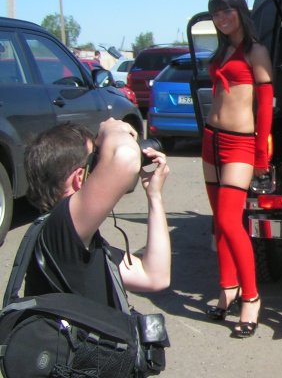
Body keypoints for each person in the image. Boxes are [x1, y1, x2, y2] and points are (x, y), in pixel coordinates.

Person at [23, 118, 171, 305]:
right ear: (79, 177)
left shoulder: (76, 239)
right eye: (97, 158)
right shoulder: (58, 229)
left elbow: (154, 277)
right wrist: (111, 128)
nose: (102, 164)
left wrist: (154, 196)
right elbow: (125, 156)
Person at [202, 0, 273, 338]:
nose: (222, 18)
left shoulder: (255, 51)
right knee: (219, 222)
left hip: (240, 143)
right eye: (216, 13)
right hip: (211, 140)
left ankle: (251, 297)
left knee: (232, 221)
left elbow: (266, 104)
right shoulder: (222, 51)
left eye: (227, 10)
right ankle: (227, 287)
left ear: (240, 11)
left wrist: (261, 154)